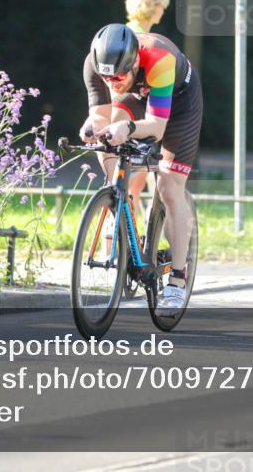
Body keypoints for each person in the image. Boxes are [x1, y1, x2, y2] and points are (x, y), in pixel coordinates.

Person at [80, 23, 202, 314]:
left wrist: (129, 126)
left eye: (119, 76)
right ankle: (118, 205)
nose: (112, 83)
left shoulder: (160, 60)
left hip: (180, 101)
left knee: (169, 187)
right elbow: (98, 118)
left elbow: (157, 128)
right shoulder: (96, 66)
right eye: (106, 77)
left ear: (135, 62)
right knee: (107, 140)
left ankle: (177, 280)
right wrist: (93, 129)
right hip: (137, 95)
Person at [122, 0, 171, 215]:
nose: (163, 11)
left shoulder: (125, 32)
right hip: (134, 116)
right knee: (133, 186)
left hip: (121, 114)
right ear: (153, 6)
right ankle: (126, 246)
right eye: (162, 6)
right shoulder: (141, 39)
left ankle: (119, 242)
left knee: (122, 186)